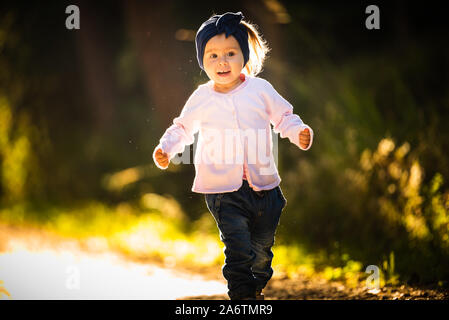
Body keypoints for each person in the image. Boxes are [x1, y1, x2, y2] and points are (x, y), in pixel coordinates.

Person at [153, 11, 313, 300]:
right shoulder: (202, 97)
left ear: (245, 56)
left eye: (230, 53)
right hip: (223, 192)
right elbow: (183, 128)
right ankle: (242, 297)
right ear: (202, 61)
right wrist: (166, 149)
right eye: (212, 55)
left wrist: (298, 132)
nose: (222, 61)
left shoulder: (260, 90)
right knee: (238, 249)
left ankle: (255, 285)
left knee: (261, 254)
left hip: (264, 189)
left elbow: (284, 117)